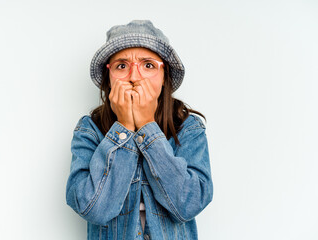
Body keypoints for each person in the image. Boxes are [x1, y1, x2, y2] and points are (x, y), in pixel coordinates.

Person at [65, 20, 213, 239]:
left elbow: (189, 204)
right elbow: (92, 209)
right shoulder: (89, 131)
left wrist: (147, 126)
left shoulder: (188, 128)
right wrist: (124, 127)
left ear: (164, 76)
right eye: (122, 66)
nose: (134, 77)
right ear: (109, 78)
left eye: (148, 65)